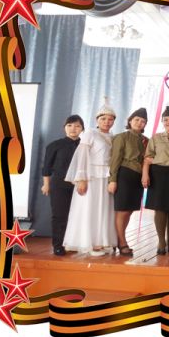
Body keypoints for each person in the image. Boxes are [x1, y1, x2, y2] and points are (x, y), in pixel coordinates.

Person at [63, 102, 117, 256]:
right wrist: (82, 178)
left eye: (110, 119)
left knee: (103, 209)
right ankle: (88, 244)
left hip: (105, 177)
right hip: (91, 176)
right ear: (97, 120)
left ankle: (100, 242)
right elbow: (82, 156)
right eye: (103, 118)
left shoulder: (113, 137)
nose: (107, 122)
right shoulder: (90, 134)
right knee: (89, 208)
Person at [141, 106, 169, 255]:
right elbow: (147, 158)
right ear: (162, 122)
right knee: (160, 208)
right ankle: (161, 241)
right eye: (165, 120)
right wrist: (145, 175)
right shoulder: (156, 138)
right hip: (158, 174)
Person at [41, 115, 84, 256]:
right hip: (59, 184)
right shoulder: (54, 145)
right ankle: (58, 245)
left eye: (77, 126)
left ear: (82, 129)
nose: (73, 129)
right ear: (64, 127)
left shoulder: (85, 146)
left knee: (78, 215)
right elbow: (46, 167)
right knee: (59, 215)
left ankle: (74, 243)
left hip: (81, 185)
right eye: (69, 125)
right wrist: (46, 184)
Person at [108, 107, 148, 257]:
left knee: (129, 211)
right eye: (136, 120)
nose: (139, 123)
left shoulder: (146, 140)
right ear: (130, 121)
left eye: (143, 121)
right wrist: (113, 180)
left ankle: (118, 240)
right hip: (124, 174)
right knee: (122, 210)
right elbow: (115, 160)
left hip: (137, 177)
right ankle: (122, 243)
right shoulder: (121, 137)